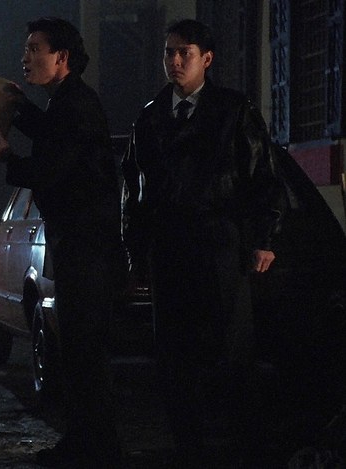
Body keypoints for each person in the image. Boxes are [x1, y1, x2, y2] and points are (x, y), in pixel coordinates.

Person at [121, 19, 282, 465]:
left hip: (220, 246)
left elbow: (263, 176)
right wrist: (136, 253)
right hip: (169, 249)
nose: (174, 61)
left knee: (231, 353)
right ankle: (188, 449)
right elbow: (134, 188)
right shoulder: (151, 115)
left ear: (206, 59)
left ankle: (243, 450)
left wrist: (263, 238)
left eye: (184, 53)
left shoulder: (233, 110)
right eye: (168, 52)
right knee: (175, 359)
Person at [0, 17, 126, 468]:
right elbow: (51, 134)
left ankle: (95, 449)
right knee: (78, 353)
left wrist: (10, 159)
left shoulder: (76, 105)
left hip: (87, 248)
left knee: (84, 354)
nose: (25, 57)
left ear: (61, 57)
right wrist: (21, 108)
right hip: (78, 244)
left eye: (34, 49)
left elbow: (52, 169)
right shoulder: (67, 101)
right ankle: (85, 444)